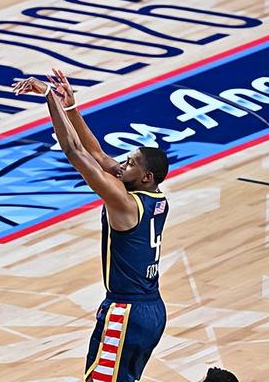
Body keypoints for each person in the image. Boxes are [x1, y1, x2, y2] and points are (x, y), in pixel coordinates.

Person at [13, 69, 170, 382]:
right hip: (152, 309)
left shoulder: (124, 202)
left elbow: (75, 151)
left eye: (130, 163)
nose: (121, 164)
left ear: (145, 177)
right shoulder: (156, 198)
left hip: (127, 310)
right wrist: (70, 107)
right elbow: (96, 153)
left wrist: (49, 97)